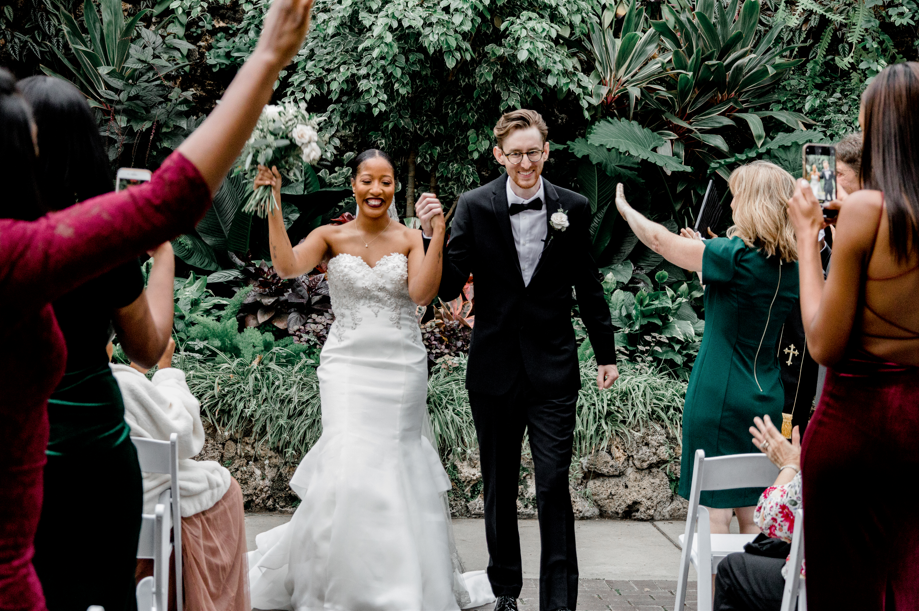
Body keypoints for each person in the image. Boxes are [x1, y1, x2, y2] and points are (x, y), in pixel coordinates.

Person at [0, 0, 315, 606]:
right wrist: (269, 55)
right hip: (72, 488)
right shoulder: (32, 252)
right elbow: (169, 206)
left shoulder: (38, 247)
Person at [247, 151, 492, 610]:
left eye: (385, 181)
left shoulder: (410, 238)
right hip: (346, 367)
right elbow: (286, 266)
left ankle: (401, 582)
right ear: (353, 185)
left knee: (396, 463)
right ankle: (336, 580)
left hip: (400, 368)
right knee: (346, 462)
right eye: (367, 180)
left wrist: (438, 233)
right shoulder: (330, 236)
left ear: (394, 187)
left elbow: (421, 293)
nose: (376, 190)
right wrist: (274, 203)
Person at [414, 109, 620, 611]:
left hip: (554, 370)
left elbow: (588, 285)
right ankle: (505, 590)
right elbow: (446, 286)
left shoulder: (572, 206)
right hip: (494, 371)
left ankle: (558, 603)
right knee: (499, 486)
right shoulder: (474, 205)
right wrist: (430, 234)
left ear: (546, 152)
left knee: (552, 484)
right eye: (515, 154)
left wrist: (605, 353)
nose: (525, 163)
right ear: (498, 155)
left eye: (533, 153)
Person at [19, 75, 175, 611]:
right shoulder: (101, 243)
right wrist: (163, 256)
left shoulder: (9, 239)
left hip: (21, 450)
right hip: (98, 453)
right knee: (110, 595)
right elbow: (147, 350)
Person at [786, 61, 919, 610]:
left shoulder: (866, 211)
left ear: (881, 132)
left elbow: (824, 343)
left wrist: (806, 237)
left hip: (857, 432)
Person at [616, 161, 799, 537]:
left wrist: (626, 210)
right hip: (766, 398)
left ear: (752, 203)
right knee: (755, 514)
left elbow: (659, 242)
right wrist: (704, 256)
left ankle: (713, 582)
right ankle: (750, 578)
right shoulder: (792, 265)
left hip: (719, 398)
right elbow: (742, 298)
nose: (731, 204)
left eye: (737, 196)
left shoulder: (733, 255)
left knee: (713, 514)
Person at [111, 339, 250, 611]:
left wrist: (136, 373)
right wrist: (166, 371)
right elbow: (183, 437)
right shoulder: (122, 384)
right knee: (229, 490)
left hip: (70, 516)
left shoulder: (37, 385)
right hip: (132, 517)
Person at [714, 415, 804, 611]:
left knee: (732, 569)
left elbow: (769, 518)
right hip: (869, 584)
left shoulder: (833, 450)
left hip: (818, 587)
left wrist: (791, 465)